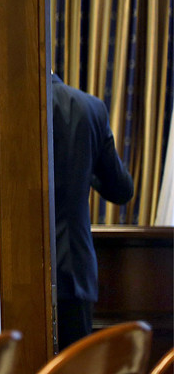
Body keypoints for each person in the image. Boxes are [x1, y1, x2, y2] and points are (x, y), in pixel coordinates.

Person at [51, 73, 134, 350]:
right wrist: (88, 166)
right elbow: (121, 190)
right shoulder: (89, 108)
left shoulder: (2, 106)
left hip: (12, 276)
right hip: (73, 269)